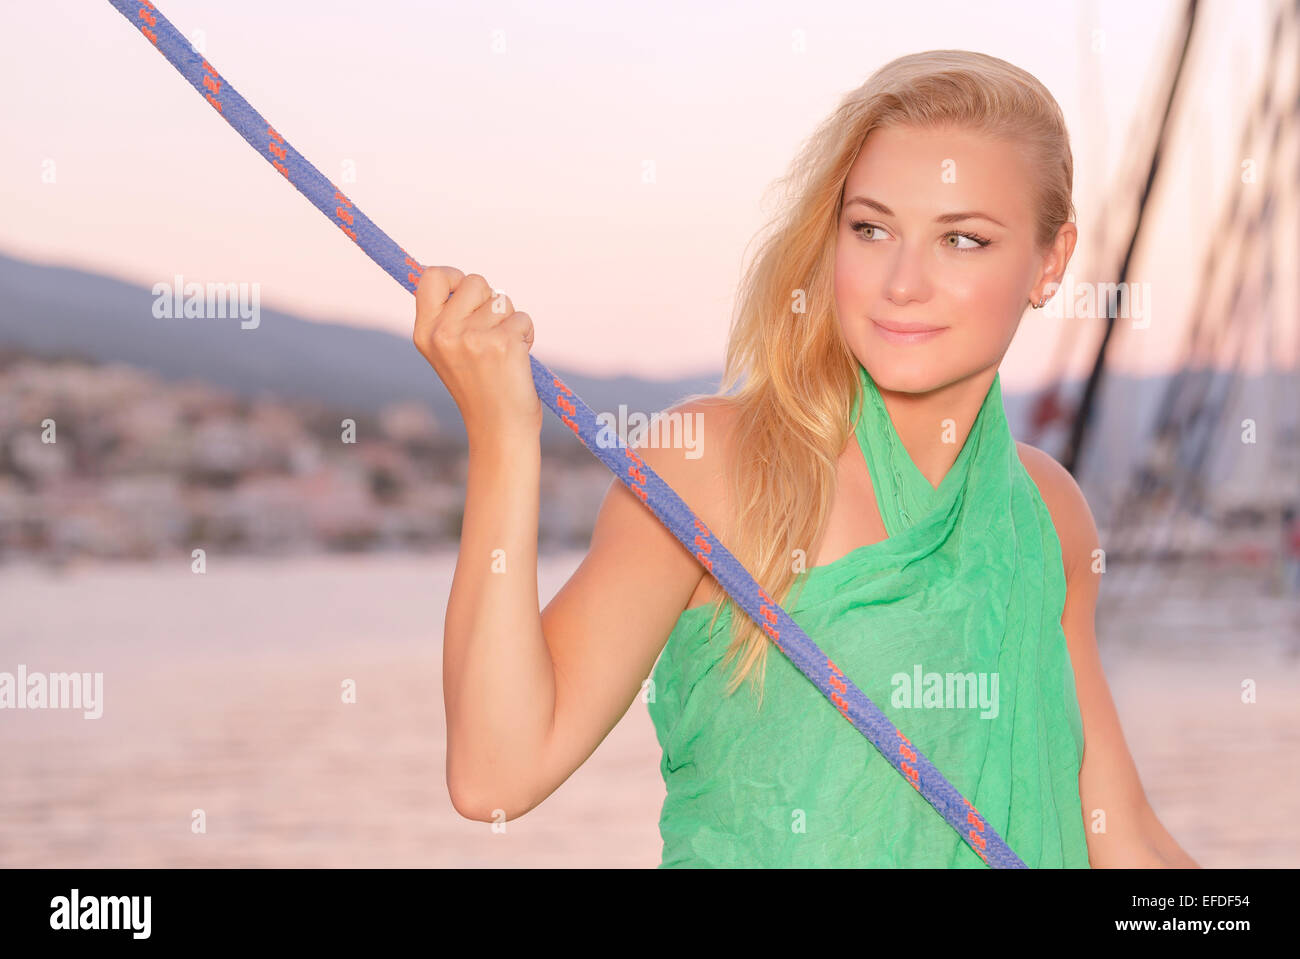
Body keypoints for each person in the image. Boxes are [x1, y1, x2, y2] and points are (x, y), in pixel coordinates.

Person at [412, 50, 1198, 868]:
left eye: (962, 239)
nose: (902, 281)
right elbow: (495, 774)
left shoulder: (1048, 510)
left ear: (1050, 262)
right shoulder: (714, 464)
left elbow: (1118, 831)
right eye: (871, 227)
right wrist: (503, 436)